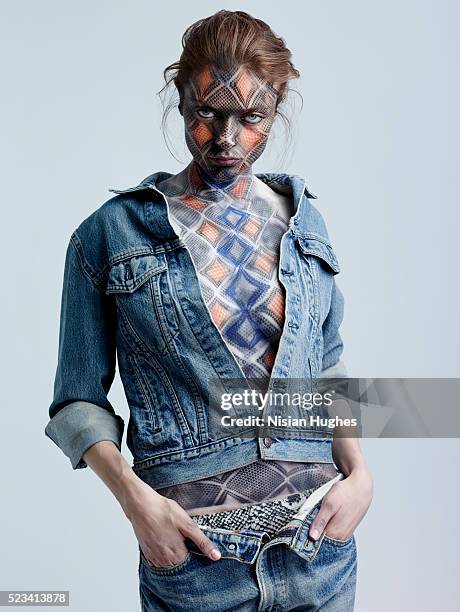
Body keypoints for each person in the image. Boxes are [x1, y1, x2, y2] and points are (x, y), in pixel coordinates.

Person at [45, 10, 373, 611]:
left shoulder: (305, 222)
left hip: (320, 552)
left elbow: (326, 367)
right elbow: (77, 401)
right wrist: (139, 506)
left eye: (251, 117)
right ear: (180, 102)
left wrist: (360, 478)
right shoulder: (110, 236)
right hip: (198, 566)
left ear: (275, 112)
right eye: (208, 114)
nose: (227, 138)